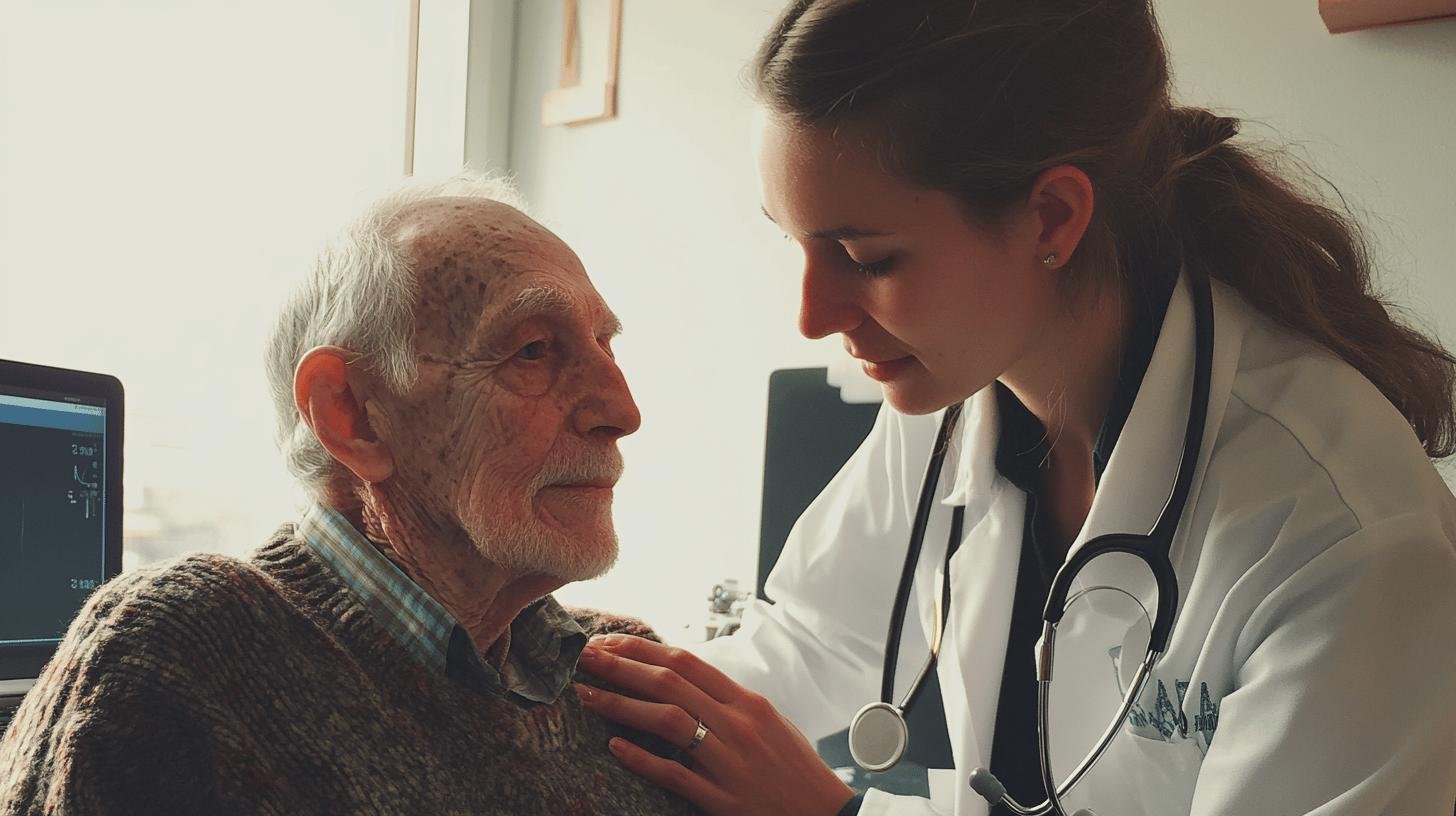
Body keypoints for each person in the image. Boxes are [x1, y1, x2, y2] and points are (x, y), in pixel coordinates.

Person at [572, 1, 1456, 815]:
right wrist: (584, 698)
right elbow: (813, 642)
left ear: (1051, 217)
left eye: (868, 258)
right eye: (797, 243)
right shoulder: (953, 393)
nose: (811, 315)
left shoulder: (1344, 541)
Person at [0, 176, 697, 815]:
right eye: (535, 350)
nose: (622, 410)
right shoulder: (182, 656)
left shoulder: (633, 682)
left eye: (606, 345)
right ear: (351, 413)